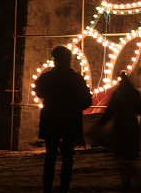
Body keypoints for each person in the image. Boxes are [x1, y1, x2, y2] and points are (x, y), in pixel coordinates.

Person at [34, 45, 93, 193]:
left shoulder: (47, 78)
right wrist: (74, 107)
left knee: (50, 156)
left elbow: (39, 92)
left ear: (55, 59)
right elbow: (87, 100)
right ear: (69, 59)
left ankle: (47, 187)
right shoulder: (76, 79)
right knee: (68, 157)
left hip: (52, 120)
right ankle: (64, 188)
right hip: (70, 121)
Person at [96, 71, 141, 191]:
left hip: (120, 127)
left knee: (121, 157)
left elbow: (110, 112)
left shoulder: (118, 94)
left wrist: (99, 125)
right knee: (129, 157)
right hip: (132, 127)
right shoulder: (135, 93)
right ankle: (135, 181)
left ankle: (130, 181)